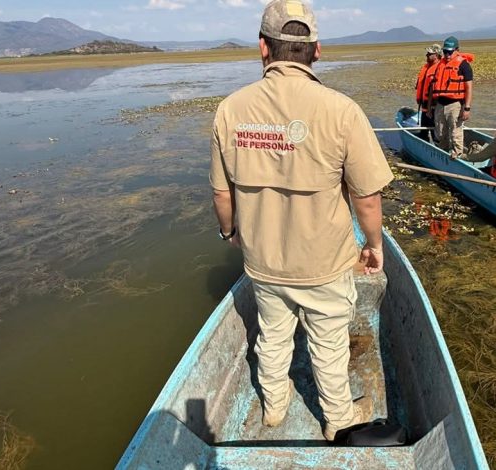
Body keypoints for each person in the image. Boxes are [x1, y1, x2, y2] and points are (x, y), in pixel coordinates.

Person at [209, 0, 394, 442]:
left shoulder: (230, 110)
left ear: (262, 48)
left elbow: (221, 193)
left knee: (271, 338)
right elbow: (366, 197)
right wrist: (374, 245)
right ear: (317, 51)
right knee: (328, 346)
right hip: (324, 263)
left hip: (264, 261)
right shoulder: (342, 110)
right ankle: (337, 420)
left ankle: (274, 409)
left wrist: (230, 232)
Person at [427, 36, 474, 158]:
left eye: (450, 52)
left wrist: (467, 108)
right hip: (440, 104)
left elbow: (469, 88)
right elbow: (433, 86)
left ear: (457, 50)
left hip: (455, 105)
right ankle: (442, 153)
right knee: (440, 132)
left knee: (455, 131)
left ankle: (457, 154)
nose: (447, 55)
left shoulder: (464, 65)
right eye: (445, 51)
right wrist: (429, 107)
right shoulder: (439, 65)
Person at [415, 43, 441, 142]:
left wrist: (431, 107)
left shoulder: (439, 68)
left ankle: (437, 147)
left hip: (434, 107)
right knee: (423, 131)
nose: (427, 55)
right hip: (425, 105)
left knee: (436, 133)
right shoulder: (427, 67)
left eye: (430, 54)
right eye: (427, 54)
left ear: (437, 55)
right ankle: (423, 139)